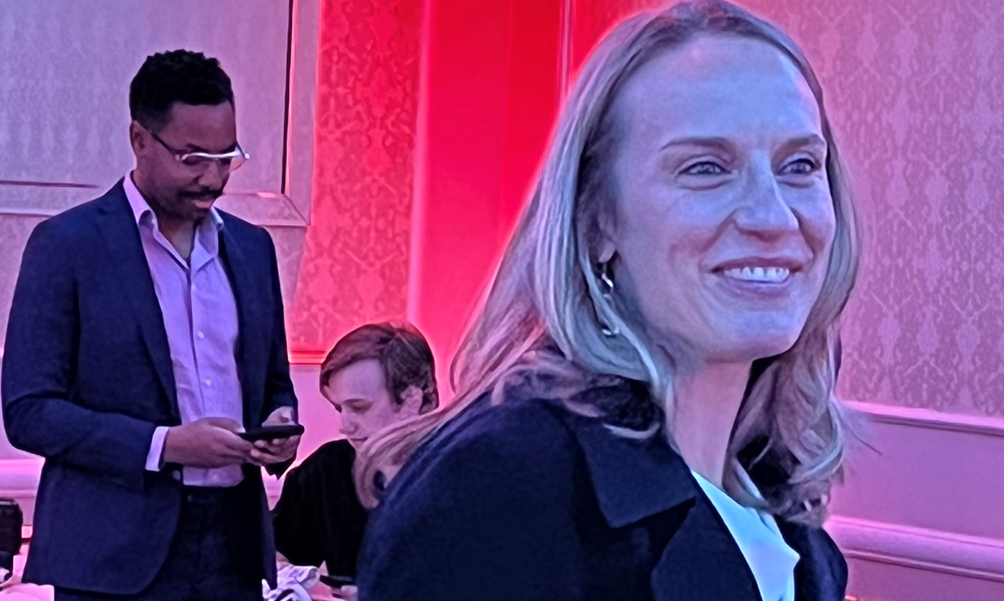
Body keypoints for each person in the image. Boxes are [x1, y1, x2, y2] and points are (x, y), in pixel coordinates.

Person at [355, 1, 860, 600]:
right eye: (705, 168)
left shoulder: (771, 483)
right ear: (596, 220)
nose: (773, 217)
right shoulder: (502, 485)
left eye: (799, 165)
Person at [2, 50, 300, 600]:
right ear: (140, 139)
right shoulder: (67, 246)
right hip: (111, 558)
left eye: (227, 157)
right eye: (193, 158)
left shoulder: (253, 249)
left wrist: (279, 427)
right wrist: (166, 445)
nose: (213, 178)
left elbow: (275, 385)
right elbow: (30, 411)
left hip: (234, 551)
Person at [272, 323, 438, 586]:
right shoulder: (325, 471)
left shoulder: (459, 472)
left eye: (359, 407)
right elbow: (278, 556)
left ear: (411, 400)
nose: (344, 426)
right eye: (339, 409)